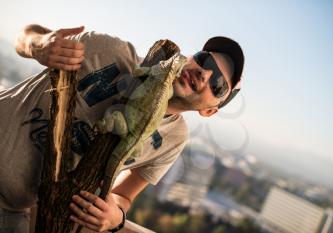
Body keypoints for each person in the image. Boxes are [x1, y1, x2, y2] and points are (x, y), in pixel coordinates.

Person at [0, 24, 244, 232]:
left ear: (210, 111)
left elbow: (124, 196)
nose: (204, 73)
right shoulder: (112, 51)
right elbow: (24, 37)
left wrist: (115, 218)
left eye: (218, 84)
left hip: (11, 210)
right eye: (204, 59)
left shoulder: (174, 138)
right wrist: (39, 44)